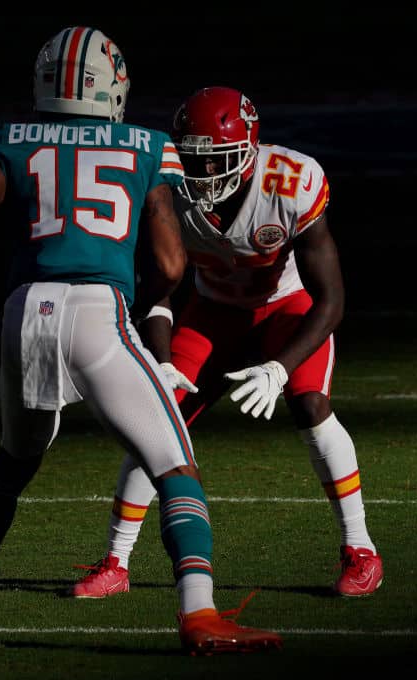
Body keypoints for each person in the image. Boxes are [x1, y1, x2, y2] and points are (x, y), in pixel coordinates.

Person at [0, 31, 281, 655]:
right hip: (94, 310)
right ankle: (199, 614)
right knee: (174, 463)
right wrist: (140, 294)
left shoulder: (12, 140)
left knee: (14, 460)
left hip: (23, 312)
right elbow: (168, 261)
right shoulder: (147, 147)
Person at [71, 86, 383, 600]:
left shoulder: (291, 182)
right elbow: (159, 288)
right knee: (156, 418)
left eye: (215, 160)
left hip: (287, 307)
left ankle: (361, 548)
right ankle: (116, 562)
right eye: (192, 160)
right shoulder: (166, 188)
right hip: (213, 311)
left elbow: (330, 300)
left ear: (249, 152)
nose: (202, 174)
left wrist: (279, 368)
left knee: (310, 403)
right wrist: (164, 363)